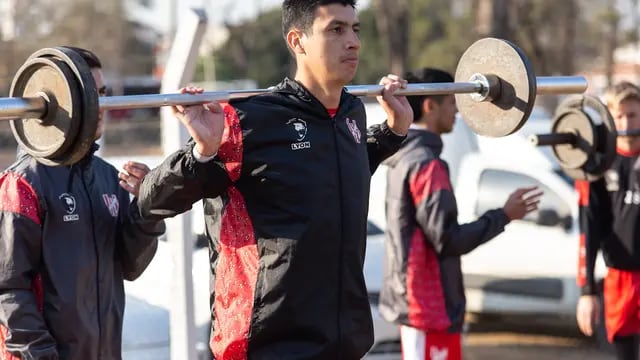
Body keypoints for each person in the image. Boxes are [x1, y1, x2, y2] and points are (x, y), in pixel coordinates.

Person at [136, 0, 413, 358]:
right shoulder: (249, 120)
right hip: (267, 346)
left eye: (355, 29)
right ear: (297, 41)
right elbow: (151, 201)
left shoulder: (350, 114)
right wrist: (201, 150)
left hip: (343, 344)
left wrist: (394, 131)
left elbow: (336, 172)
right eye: (336, 29)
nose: (353, 42)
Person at [0, 47, 166, 360]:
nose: (101, 105)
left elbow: (130, 267)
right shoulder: (23, 183)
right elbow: (7, 289)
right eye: (90, 93)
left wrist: (147, 208)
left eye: (103, 93)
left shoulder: (108, 178)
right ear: (62, 99)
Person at [377, 67, 542, 360]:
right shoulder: (426, 164)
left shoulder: (402, 156)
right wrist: (503, 215)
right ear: (430, 106)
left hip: (417, 306)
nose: (458, 112)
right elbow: (448, 240)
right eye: (453, 102)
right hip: (428, 310)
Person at [576, 81, 640, 360]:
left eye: (633, 115)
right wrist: (587, 291)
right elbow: (588, 228)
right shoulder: (598, 164)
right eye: (619, 115)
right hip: (619, 279)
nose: (626, 122)